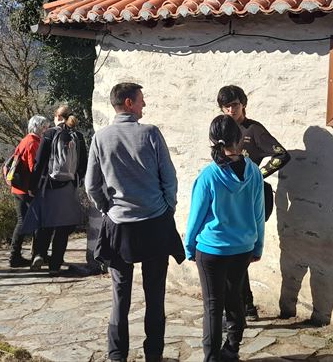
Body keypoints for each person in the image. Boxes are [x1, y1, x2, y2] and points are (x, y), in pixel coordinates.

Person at [85, 82, 184, 362]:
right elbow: (170, 178)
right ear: (128, 102)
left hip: (119, 225)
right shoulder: (151, 133)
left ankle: (117, 356)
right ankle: (154, 355)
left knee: (120, 295)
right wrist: (168, 207)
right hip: (154, 223)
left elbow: (92, 184)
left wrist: (107, 209)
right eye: (141, 100)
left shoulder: (100, 138)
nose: (144, 105)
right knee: (155, 295)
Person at [185, 115, 265, 362]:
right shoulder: (254, 172)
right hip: (242, 248)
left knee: (212, 305)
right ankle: (232, 348)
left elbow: (196, 217)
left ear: (212, 140)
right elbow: (258, 213)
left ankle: (211, 356)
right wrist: (258, 246)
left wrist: (189, 246)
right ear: (240, 139)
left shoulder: (209, 175)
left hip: (212, 249)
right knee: (235, 299)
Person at [216, 85, 291, 318]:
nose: (231, 110)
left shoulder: (254, 130)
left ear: (243, 104)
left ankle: (245, 305)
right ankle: (243, 305)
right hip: (228, 198)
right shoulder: (221, 129)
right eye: (226, 106)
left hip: (250, 199)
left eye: (235, 105)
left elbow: (282, 154)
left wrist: (258, 175)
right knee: (233, 253)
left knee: (240, 253)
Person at [28, 105, 86, 275]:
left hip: (49, 185)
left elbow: (39, 163)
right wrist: (77, 181)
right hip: (69, 187)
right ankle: (55, 264)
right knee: (62, 228)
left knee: (46, 223)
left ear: (57, 117)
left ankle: (39, 254)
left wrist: (33, 186)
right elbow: (83, 163)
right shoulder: (79, 136)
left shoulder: (49, 134)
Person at [7, 114, 50, 268]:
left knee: (22, 221)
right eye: (45, 127)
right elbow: (34, 168)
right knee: (39, 221)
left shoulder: (26, 139)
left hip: (18, 188)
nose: (47, 130)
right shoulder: (33, 143)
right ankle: (38, 255)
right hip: (27, 189)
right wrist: (34, 188)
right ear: (38, 128)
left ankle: (15, 256)